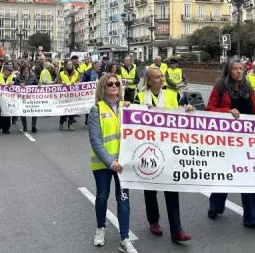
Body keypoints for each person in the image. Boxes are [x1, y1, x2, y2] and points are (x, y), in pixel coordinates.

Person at [206, 60, 255, 232]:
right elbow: (210, 109)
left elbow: (253, 109)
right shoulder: (221, 87)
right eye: (235, 69)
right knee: (226, 176)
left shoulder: (248, 87)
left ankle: (251, 218)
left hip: (247, 140)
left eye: (241, 69)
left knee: (248, 178)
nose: (239, 72)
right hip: (226, 140)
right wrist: (227, 111)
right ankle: (215, 206)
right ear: (228, 71)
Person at [135, 67, 193, 242]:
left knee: (171, 189)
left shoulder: (171, 95)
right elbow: (131, 122)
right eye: (157, 77)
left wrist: (187, 110)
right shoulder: (139, 97)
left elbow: (180, 115)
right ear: (149, 81)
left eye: (162, 77)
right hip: (148, 149)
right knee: (150, 190)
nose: (161, 79)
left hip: (169, 149)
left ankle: (177, 229)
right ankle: (153, 221)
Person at [87, 74, 137, 253]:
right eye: (110, 84)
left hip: (123, 165)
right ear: (103, 87)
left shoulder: (127, 108)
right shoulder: (96, 109)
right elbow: (95, 140)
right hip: (103, 165)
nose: (114, 86)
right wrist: (110, 162)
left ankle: (124, 239)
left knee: (123, 199)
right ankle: (100, 228)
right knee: (102, 196)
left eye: (117, 83)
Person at [15, 65, 39, 133]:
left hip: (32, 98)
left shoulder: (33, 76)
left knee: (34, 112)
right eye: (24, 70)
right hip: (22, 98)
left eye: (27, 70)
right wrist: (19, 84)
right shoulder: (18, 77)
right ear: (22, 71)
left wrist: (39, 84)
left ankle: (33, 126)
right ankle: (24, 126)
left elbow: (37, 83)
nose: (26, 71)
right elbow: (15, 85)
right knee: (23, 112)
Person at [59, 61, 79, 131]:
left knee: (72, 110)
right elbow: (58, 81)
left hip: (73, 94)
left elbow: (79, 81)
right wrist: (62, 82)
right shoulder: (61, 73)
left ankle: (70, 124)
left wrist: (76, 82)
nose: (69, 65)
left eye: (70, 64)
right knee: (64, 110)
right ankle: (61, 123)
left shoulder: (76, 73)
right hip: (64, 95)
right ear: (65, 65)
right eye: (68, 64)